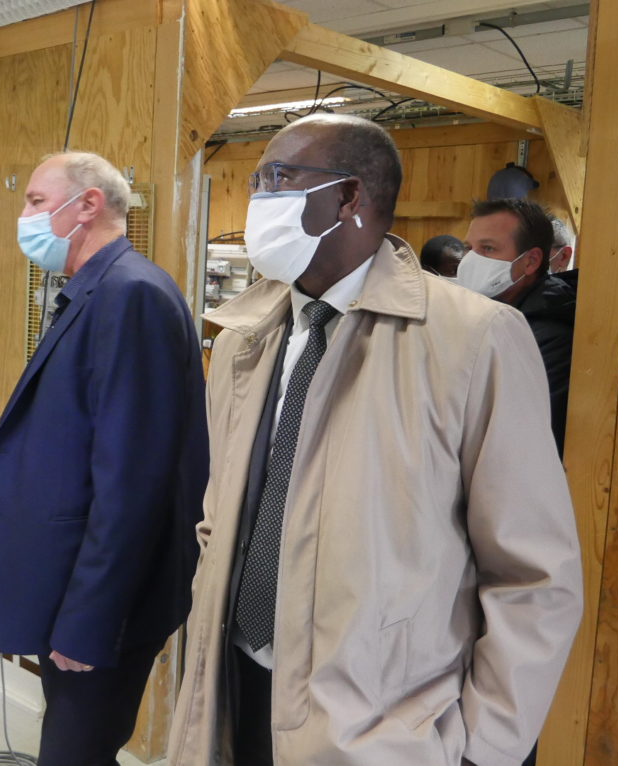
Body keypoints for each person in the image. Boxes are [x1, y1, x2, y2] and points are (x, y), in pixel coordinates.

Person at [167, 114, 582, 766]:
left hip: (380, 728)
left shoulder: (473, 340)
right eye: (256, 182)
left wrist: (485, 747)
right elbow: (222, 517)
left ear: (349, 198)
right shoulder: (246, 334)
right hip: (237, 688)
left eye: (278, 180)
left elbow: (533, 575)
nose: (258, 202)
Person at [0, 151, 208, 766]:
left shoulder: (131, 296)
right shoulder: (93, 292)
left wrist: (88, 621)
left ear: (89, 205)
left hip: (103, 607)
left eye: (35, 201)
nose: (23, 214)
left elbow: (135, 480)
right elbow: (78, 442)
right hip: (71, 588)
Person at [461, 199, 577, 455]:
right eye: (468, 248)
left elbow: (518, 435)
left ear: (531, 261)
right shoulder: (482, 314)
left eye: (488, 249)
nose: (470, 261)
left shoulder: (551, 337)